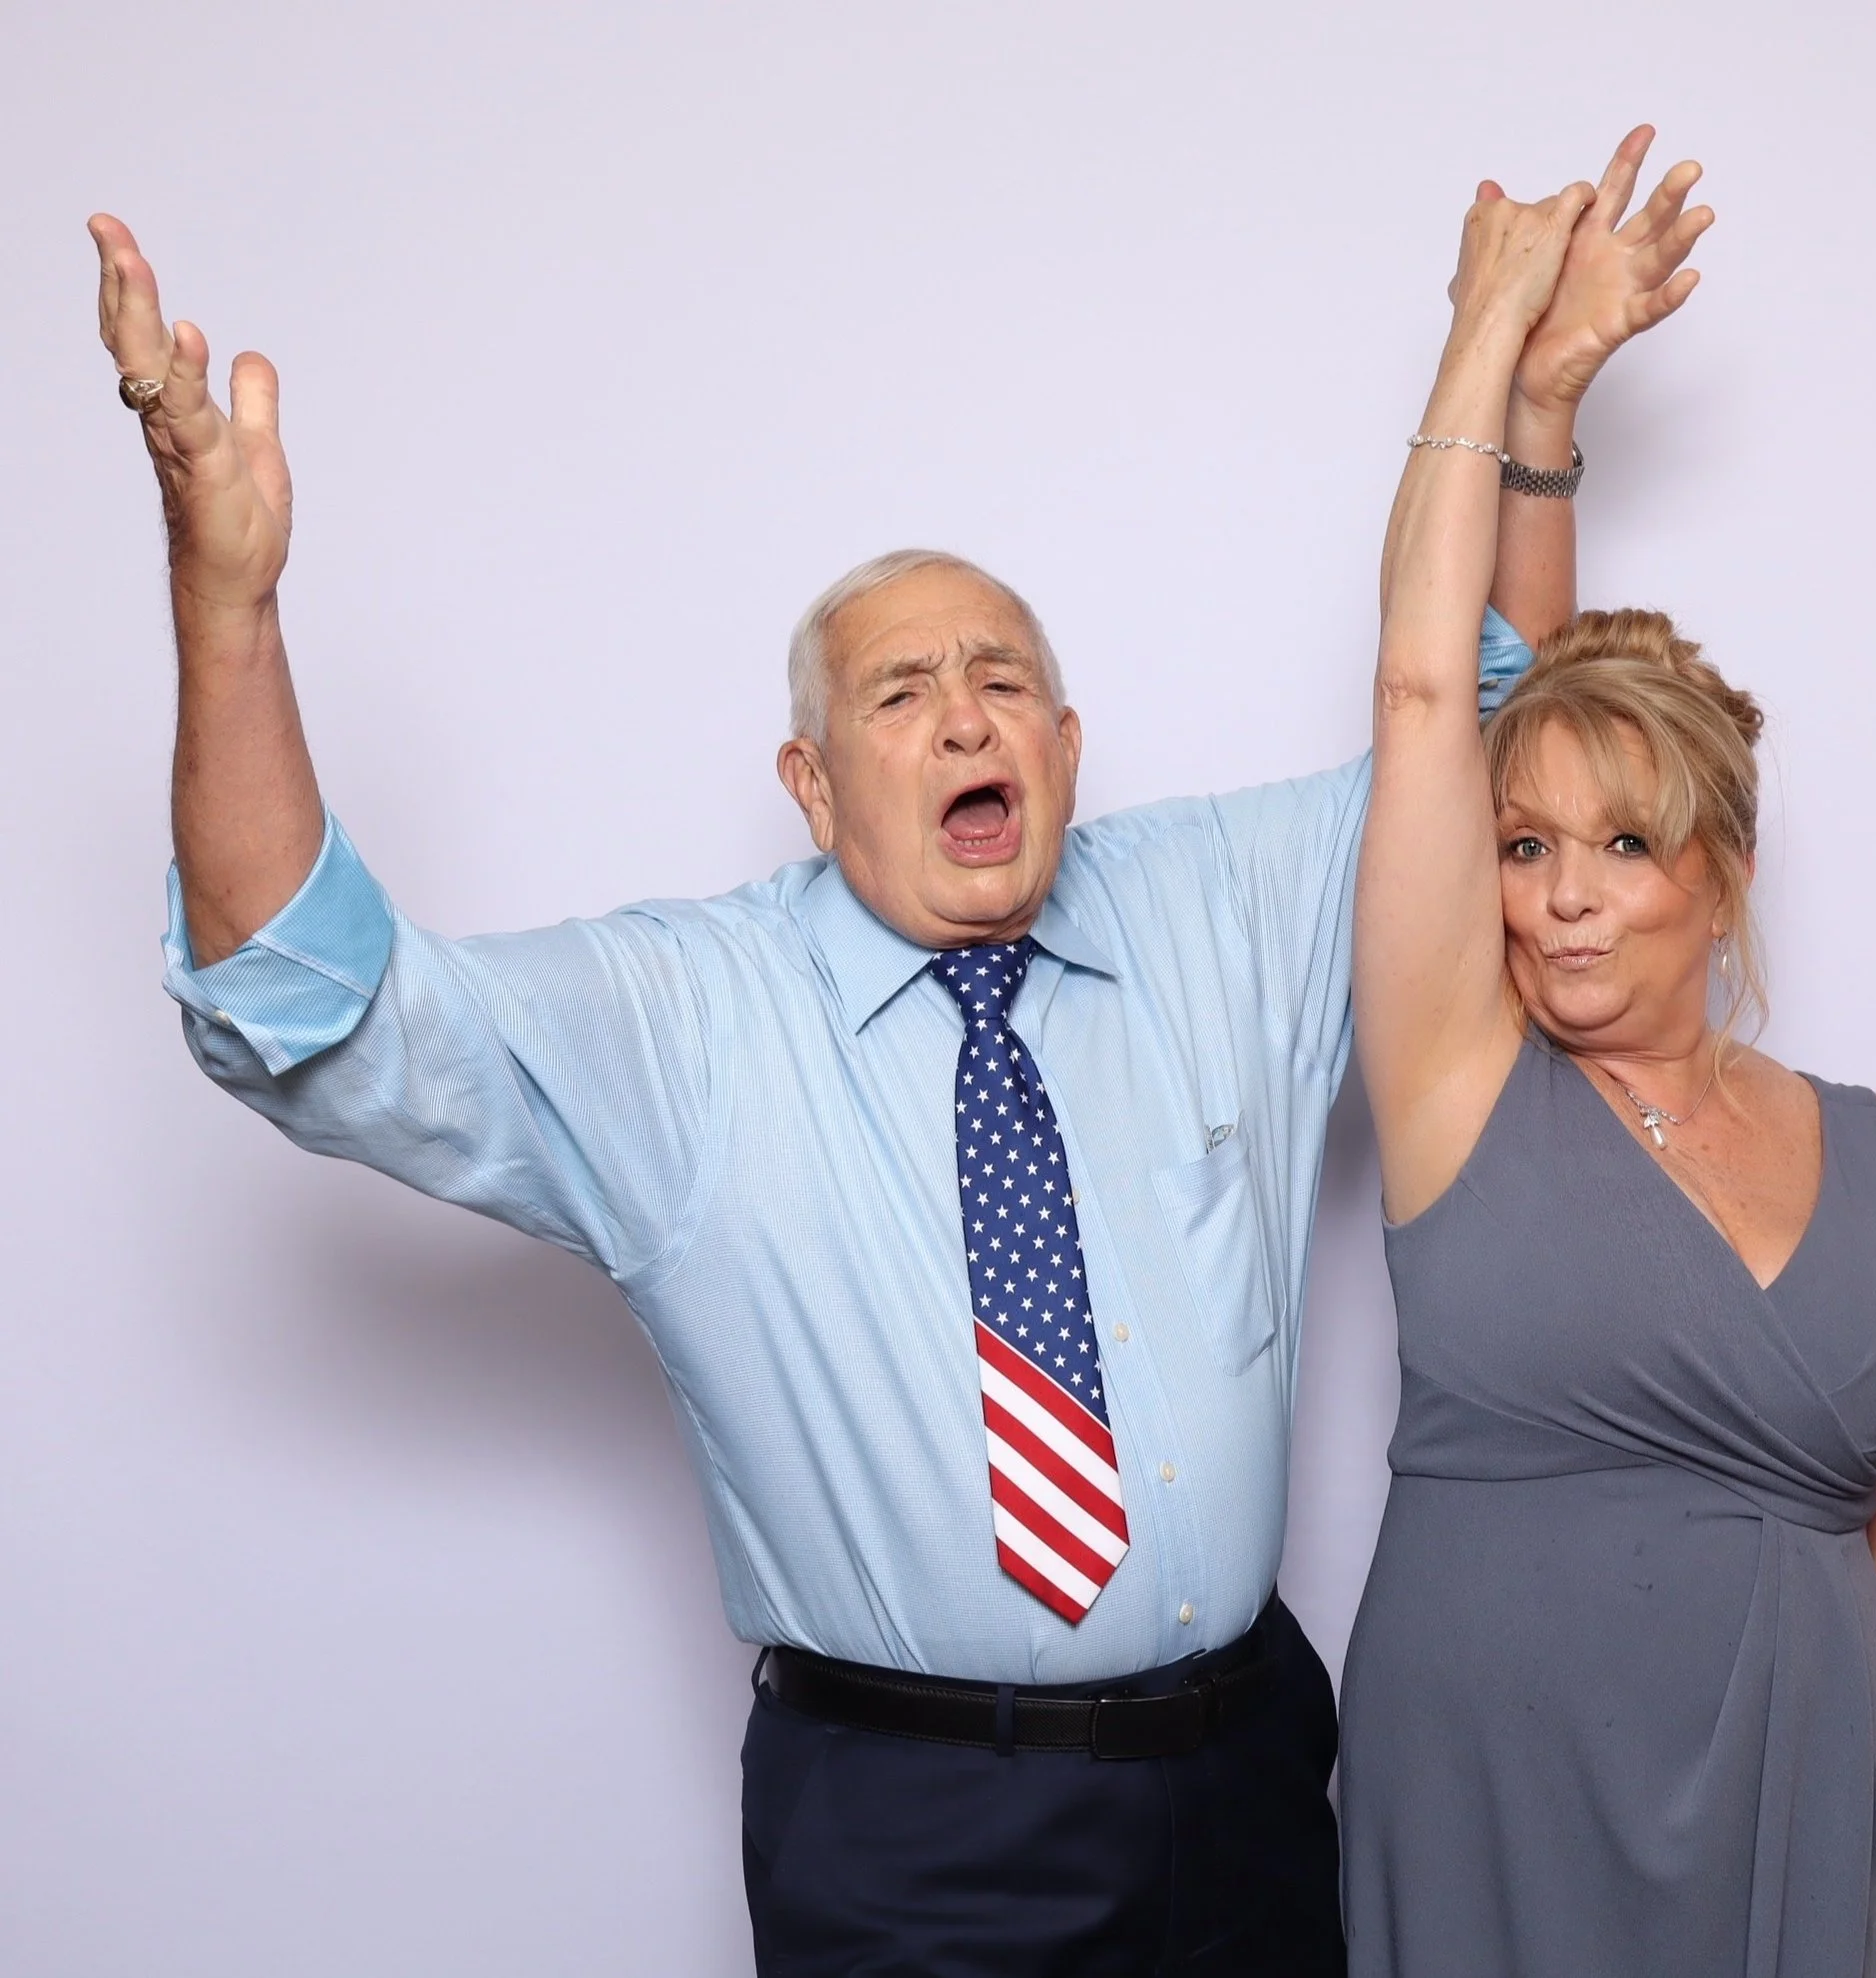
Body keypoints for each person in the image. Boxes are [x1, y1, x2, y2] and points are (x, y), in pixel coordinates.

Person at [87, 125, 1700, 1975]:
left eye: (1003, 679)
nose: (962, 719)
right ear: (810, 781)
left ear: (1071, 746)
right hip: (915, 1828)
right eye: (901, 692)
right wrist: (230, 609)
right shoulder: (685, 1022)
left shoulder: (1219, 903)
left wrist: (1544, 412)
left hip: (1251, 1777)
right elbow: (306, 999)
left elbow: (1484, 734)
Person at [1338, 187, 1876, 1975]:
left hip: (1808, 1796)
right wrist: (1491, 348)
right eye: (1522, 846)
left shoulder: (1868, 1141)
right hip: (1501, 1798)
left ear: (1716, 872)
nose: (1560, 895)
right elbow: (1437, 694)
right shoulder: (1459, 1079)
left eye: (1623, 844)